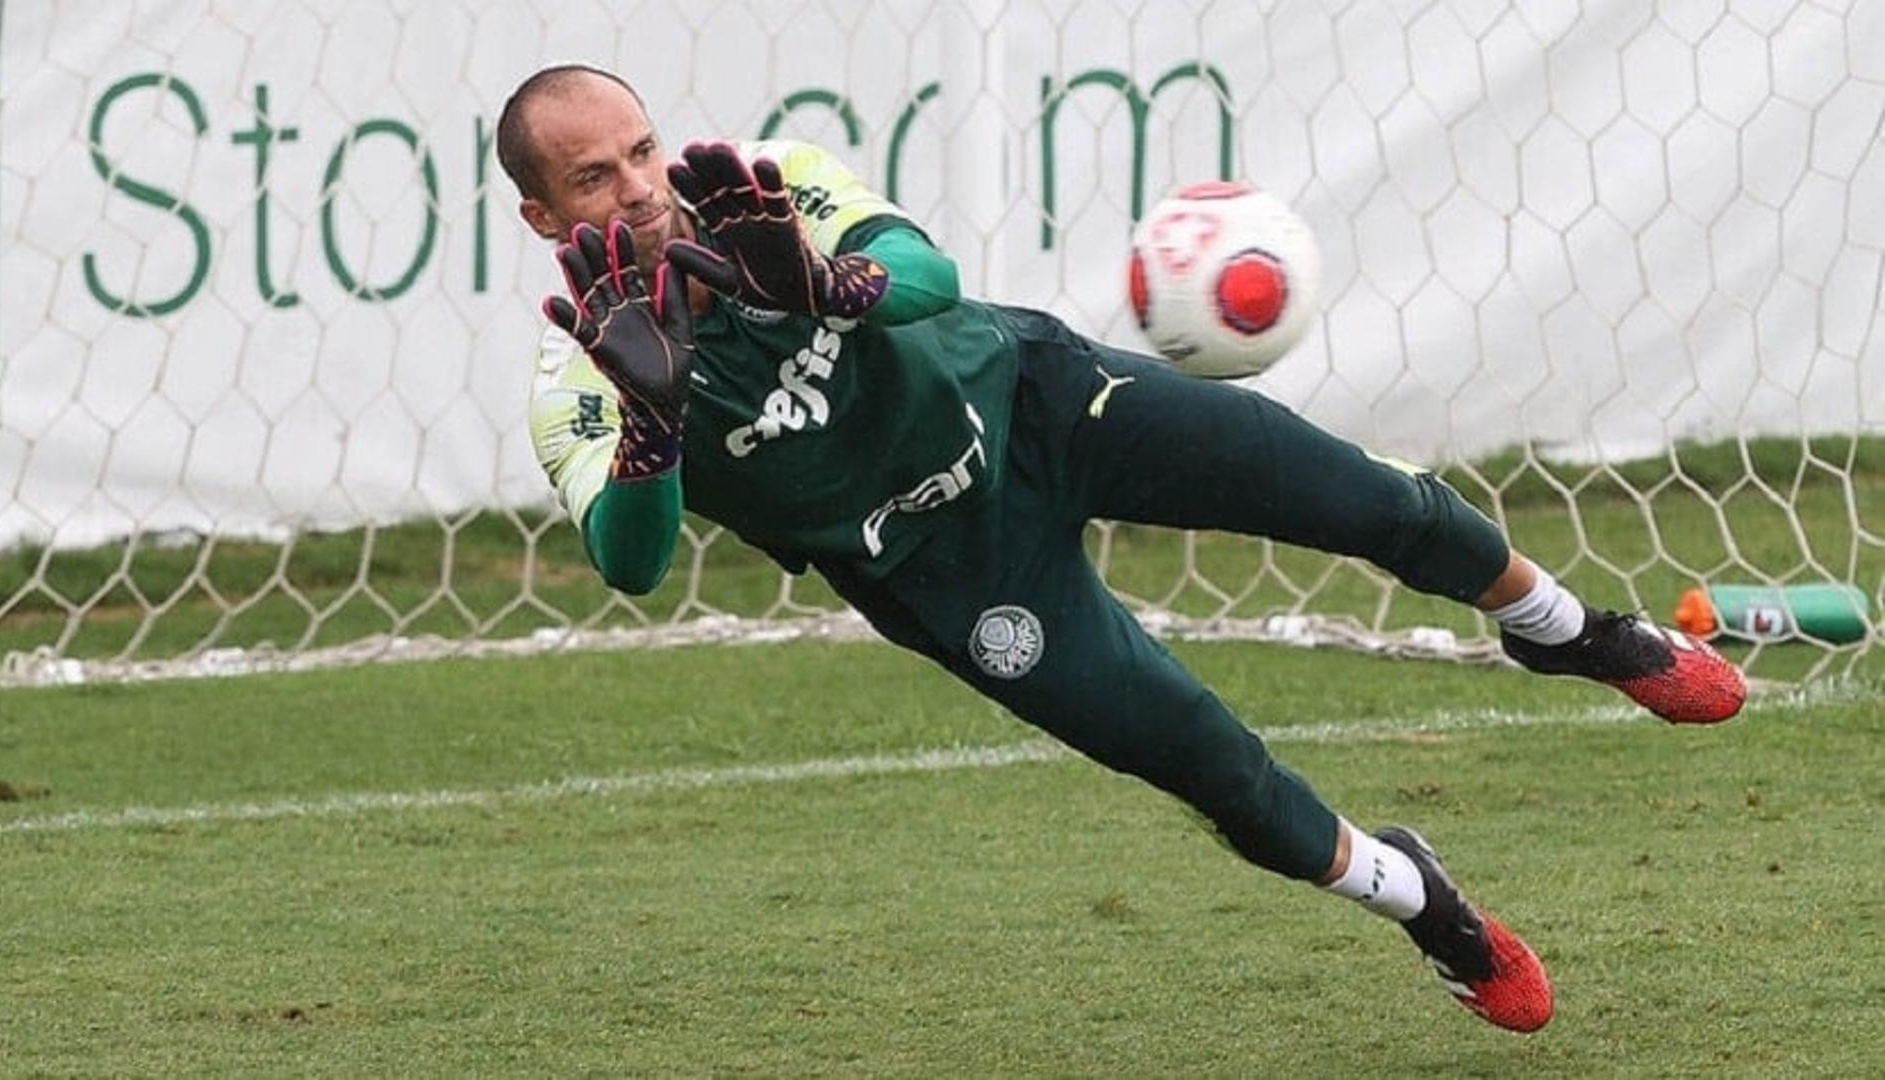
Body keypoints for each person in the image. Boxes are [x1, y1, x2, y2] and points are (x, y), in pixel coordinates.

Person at [496, 63, 1747, 1034]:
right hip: (953, 572)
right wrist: (656, 427)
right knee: (1214, 770)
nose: (641, 186)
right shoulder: (579, 368)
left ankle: (1569, 632)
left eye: (642, 149)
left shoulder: (757, 188)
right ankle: (1427, 905)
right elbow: (628, 557)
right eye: (596, 177)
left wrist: (836, 285)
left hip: (1041, 402)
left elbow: (925, 270)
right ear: (543, 211)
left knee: (1371, 504)